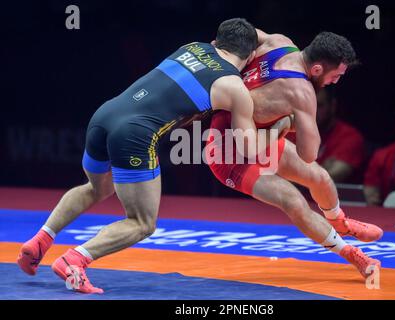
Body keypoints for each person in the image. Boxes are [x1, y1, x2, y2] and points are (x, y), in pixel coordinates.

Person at [16, 18, 291, 294]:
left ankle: (41, 239)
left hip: (104, 116)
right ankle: (75, 259)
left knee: (97, 188)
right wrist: (280, 127)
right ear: (251, 55)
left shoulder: (192, 47)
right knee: (142, 223)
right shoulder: (234, 87)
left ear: (215, 43)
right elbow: (248, 148)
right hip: (134, 135)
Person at [206, 29, 382, 279]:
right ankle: (351, 253)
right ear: (318, 69)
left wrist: (218, 46)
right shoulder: (302, 94)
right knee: (292, 200)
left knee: (319, 177)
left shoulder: (279, 42)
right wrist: (290, 122)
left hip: (259, 138)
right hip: (228, 153)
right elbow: (308, 152)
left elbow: (246, 32)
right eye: (336, 76)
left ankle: (340, 222)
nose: (336, 82)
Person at [287, 86, 365, 183]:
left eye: (319, 105)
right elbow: (272, 172)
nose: (312, 111)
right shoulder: (290, 132)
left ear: (333, 106)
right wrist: (321, 169)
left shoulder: (349, 137)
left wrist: (292, 171)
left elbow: (330, 177)